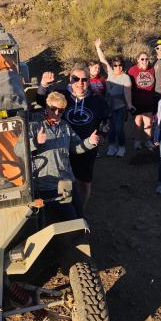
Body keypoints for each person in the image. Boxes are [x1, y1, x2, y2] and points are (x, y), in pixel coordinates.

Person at [37, 65, 110, 212]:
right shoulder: (61, 95)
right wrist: (44, 85)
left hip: (86, 148)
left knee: (84, 183)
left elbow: (107, 120)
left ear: (89, 81)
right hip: (62, 147)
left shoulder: (98, 100)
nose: (80, 83)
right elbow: (41, 101)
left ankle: (80, 212)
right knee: (63, 181)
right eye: (76, 79)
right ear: (70, 79)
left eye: (84, 79)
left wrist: (102, 135)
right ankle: (65, 212)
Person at [27, 91, 100, 225]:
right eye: (53, 109)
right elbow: (19, 151)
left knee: (79, 213)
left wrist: (90, 141)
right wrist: (37, 142)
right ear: (47, 107)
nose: (56, 113)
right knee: (70, 220)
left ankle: (80, 235)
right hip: (48, 185)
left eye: (60, 111)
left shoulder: (65, 126)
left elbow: (76, 147)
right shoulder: (34, 126)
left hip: (68, 181)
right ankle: (74, 241)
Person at [94, 38, 133, 157]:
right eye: (115, 65)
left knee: (119, 128)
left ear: (123, 66)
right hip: (109, 106)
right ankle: (112, 146)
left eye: (120, 65)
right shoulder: (110, 73)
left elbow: (127, 92)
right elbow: (103, 60)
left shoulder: (126, 77)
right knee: (110, 128)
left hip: (120, 107)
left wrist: (129, 104)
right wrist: (98, 47)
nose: (118, 67)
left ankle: (121, 147)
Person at [128, 51, 156, 150]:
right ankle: (137, 141)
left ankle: (148, 141)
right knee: (138, 123)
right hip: (136, 101)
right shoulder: (132, 70)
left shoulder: (152, 69)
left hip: (148, 101)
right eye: (142, 59)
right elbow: (128, 86)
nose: (145, 61)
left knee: (148, 123)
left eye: (146, 59)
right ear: (138, 60)